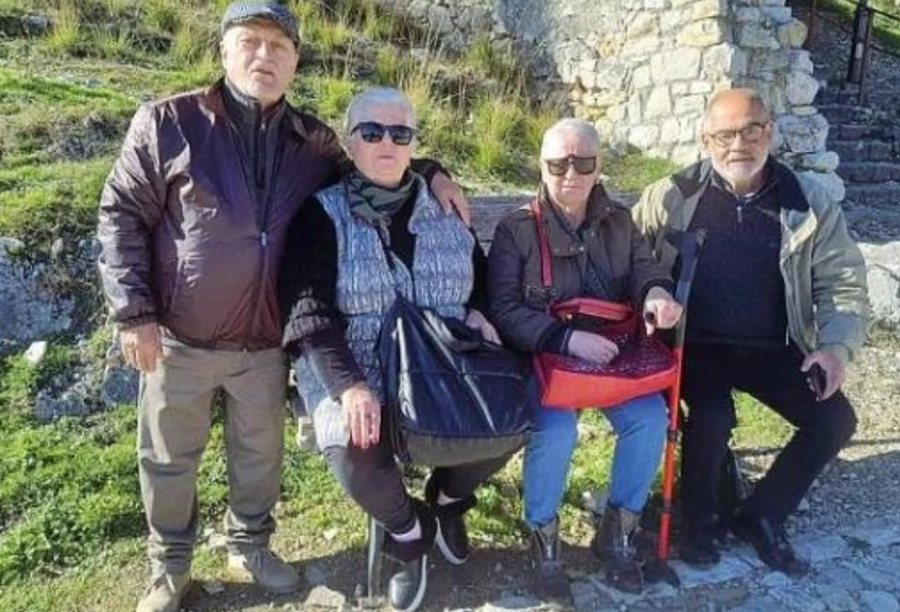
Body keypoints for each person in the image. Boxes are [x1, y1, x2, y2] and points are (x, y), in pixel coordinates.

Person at [96, 3, 467, 611]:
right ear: (224, 50)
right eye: (250, 41)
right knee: (168, 458)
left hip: (265, 341)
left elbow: (377, 158)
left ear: (295, 62)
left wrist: (435, 169)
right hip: (181, 336)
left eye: (279, 46)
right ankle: (169, 566)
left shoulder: (313, 142)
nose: (264, 56)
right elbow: (120, 215)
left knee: (259, 458)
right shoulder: (168, 122)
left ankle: (251, 546)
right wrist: (134, 311)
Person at [278, 87, 512, 612]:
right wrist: (348, 386)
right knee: (356, 447)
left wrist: (479, 310)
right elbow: (309, 312)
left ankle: (446, 500)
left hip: (443, 357)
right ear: (350, 141)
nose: (387, 142)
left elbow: (479, 278)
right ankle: (410, 532)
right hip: (356, 359)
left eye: (400, 133)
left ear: (413, 143)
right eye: (372, 131)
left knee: (512, 415)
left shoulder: (444, 206)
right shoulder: (321, 214)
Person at [633, 88, 867, 578]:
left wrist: (834, 348)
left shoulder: (809, 201)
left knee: (834, 419)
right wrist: (649, 302)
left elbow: (842, 282)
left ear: (770, 132)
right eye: (725, 134)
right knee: (712, 416)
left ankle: (762, 514)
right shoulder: (669, 195)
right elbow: (631, 259)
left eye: (751, 130)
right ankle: (700, 520)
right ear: (705, 139)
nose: (738, 144)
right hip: (695, 343)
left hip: (774, 346)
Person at [487, 118, 683, 603]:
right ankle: (542, 538)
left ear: (598, 167)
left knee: (649, 420)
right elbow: (504, 310)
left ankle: (618, 531)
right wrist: (565, 338)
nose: (570, 173)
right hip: (545, 357)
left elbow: (645, 271)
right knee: (556, 431)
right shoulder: (517, 229)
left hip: (611, 356)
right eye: (558, 164)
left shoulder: (620, 221)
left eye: (583, 163)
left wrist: (657, 295)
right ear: (542, 166)